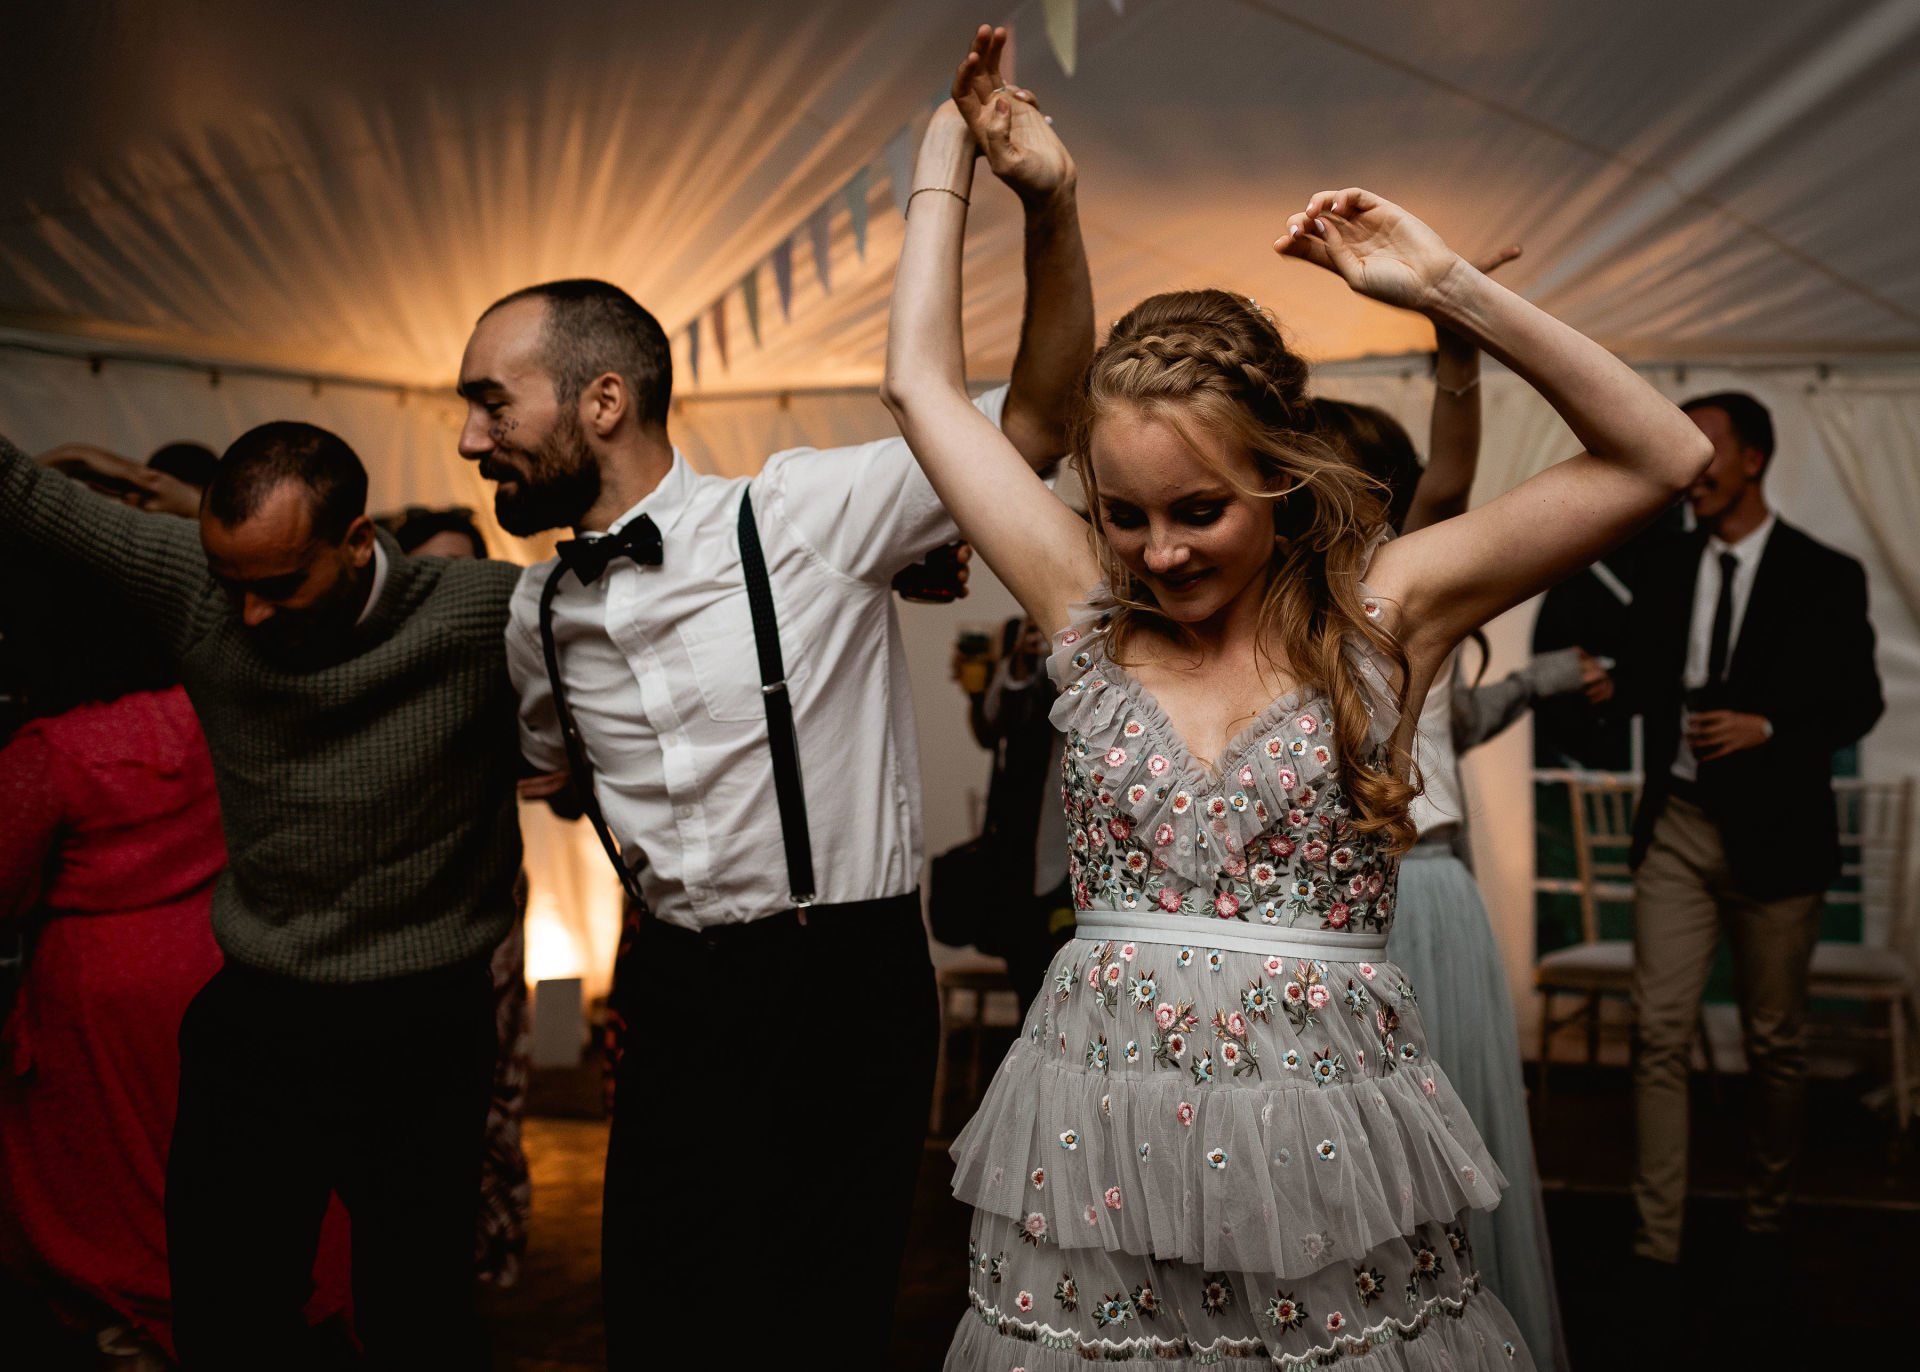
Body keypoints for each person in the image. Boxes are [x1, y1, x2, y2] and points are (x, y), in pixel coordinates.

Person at [883, 29, 1712, 1367]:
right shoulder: (1083, 604)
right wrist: (971, 155)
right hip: (1102, 1128)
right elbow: (920, 387)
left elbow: (1660, 455)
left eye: (1198, 510)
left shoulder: (1387, 613)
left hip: (1319, 1144)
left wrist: (1446, 290)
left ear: (1276, 476)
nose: (1159, 553)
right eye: (1127, 514)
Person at [457, 48, 1091, 1365]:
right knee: (661, 1319)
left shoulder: (804, 514)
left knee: (819, 1320)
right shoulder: (536, 618)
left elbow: (1036, 417)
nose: (470, 440)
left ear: (604, 399)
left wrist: (1046, 204)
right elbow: (556, 776)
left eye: (489, 403)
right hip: (670, 992)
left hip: (840, 981)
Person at [0, 422, 526, 1370]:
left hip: (422, 1026)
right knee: (225, 1314)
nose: (247, 614)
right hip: (262, 1011)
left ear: (357, 541)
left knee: (413, 1318)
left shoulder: (482, 613)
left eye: (280, 586)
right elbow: (34, 501)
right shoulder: (198, 587)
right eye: (230, 582)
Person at [1311, 256, 1588, 1365]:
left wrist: (1455, 346)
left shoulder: (1413, 584)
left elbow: (1454, 480)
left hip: (1421, 893)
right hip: (1327, 918)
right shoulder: (1275, 605)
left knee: (1442, 1150)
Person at [1597, 391, 1882, 1276]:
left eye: (1704, 446)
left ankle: (1767, 1216)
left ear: (1753, 459)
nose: (1689, 464)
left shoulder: (1825, 574)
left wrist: (1772, 729)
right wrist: (1612, 684)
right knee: (1658, 1034)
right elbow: (1646, 674)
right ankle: (1654, 1242)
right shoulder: (1664, 562)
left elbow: (1859, 702)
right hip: (1678, 825)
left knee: (1775, 1044)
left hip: (1779, 836)